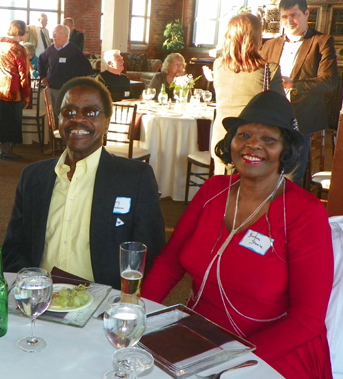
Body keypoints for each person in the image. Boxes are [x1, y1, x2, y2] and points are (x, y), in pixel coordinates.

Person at [142, 90, 333, 379]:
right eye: (244, 135)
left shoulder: (304, 213)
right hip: (199, 335)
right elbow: (171, 263)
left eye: (269, 139)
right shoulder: (212, 191)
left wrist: (231, 362)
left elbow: (307, 320)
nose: (253, 145)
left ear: (286, 150)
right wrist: (137, 312)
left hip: (270, 351)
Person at [1, 77, 165, 290]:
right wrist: (31, 287)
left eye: (90, 112)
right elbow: (13, 248)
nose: (77, 119)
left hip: (102, 304)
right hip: (40, 297)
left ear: (106, 121)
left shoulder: (134, 179)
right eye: (68, 111)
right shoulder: (33, 177)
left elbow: (149, 254)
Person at [261, 0, 338, 185]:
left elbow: (330, 81)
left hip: (301, 118)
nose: (289, 21)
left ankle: (287, 210)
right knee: (265, 171)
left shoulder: (321, 42)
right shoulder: (269, 45)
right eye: (285, 17)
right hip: (271, 117)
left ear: (306, 14)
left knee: (291, 175)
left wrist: (294, 84)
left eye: (294, 15)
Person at [211, 13, 284, 175]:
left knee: (223, 189)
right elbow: (281, 110)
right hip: (253, 143)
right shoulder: (269, 70)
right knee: (250, 192)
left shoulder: (218, 65)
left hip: (222, 137)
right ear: (256, 37)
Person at [0, 20, 31, 160]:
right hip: (13, 90)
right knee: (11, 121)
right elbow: (23, 74)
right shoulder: (19, 49)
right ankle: (7, 151)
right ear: (20, 31)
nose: (27, 33)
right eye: (26, 31)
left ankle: (4, 149)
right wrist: (27, 95)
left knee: (2, 120)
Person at [38, 24, 91, 116]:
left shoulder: (74, 50)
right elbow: (41, 60)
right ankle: (54, 130)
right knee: (53, 115)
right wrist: (43, 76)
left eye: (57, 34)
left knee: (65, 114)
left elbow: (87, 68)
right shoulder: (50, 50)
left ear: (66, 35)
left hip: (67, 89)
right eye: (53, 33)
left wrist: (76, 82)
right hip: (52, 88)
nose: (54, 36)